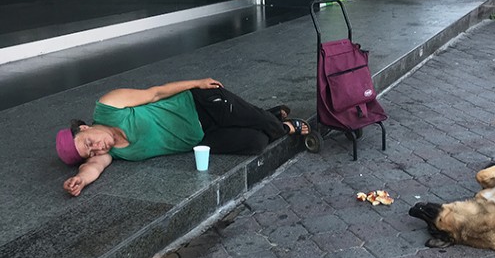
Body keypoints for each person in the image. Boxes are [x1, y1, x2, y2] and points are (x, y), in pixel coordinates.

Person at [56, 78, 309, 197]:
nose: (98, 148)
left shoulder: (108, 106)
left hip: (199, 104)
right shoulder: (109, 153)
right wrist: (80, 179)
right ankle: (272, 118)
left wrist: (196, 83)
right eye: (91, 152)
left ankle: (284, 127)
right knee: (255, 143)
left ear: (85, 128)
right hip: (199, 139)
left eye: (90, 143)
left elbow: (154, 92)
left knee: (258, 121)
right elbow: (92, 167)